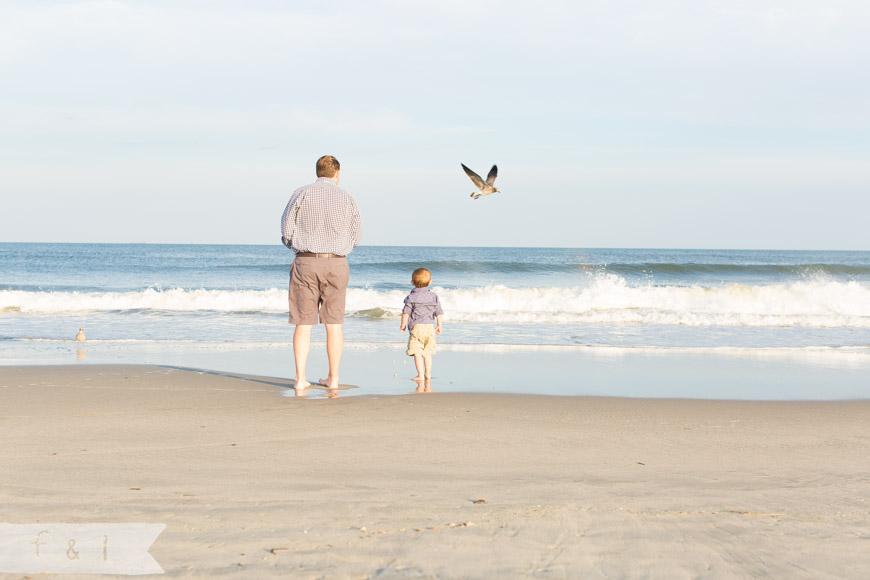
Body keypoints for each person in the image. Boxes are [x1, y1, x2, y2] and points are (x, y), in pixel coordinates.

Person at [281, 155, 361, 394]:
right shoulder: (348, 197)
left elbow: (286, 229)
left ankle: (300, 379)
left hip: (306, 261)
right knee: (334, 324)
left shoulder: (300, 193)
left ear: (317, 172)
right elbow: (356, 235)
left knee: (303, 323)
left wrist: (296, 247)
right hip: (336, 263)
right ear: (337, 173)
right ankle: (333, 379)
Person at [400, 268, 443, 382]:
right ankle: (428, 373)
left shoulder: (411, 297)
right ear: (430, 282)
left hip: (417, 328)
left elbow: (406, 312)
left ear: (412, 282)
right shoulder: (434, 297)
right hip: (430, 327)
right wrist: (439, 325)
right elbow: (438, 312)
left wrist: (403, 325)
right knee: (427, 353)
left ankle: (420, 375)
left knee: (417, 352)